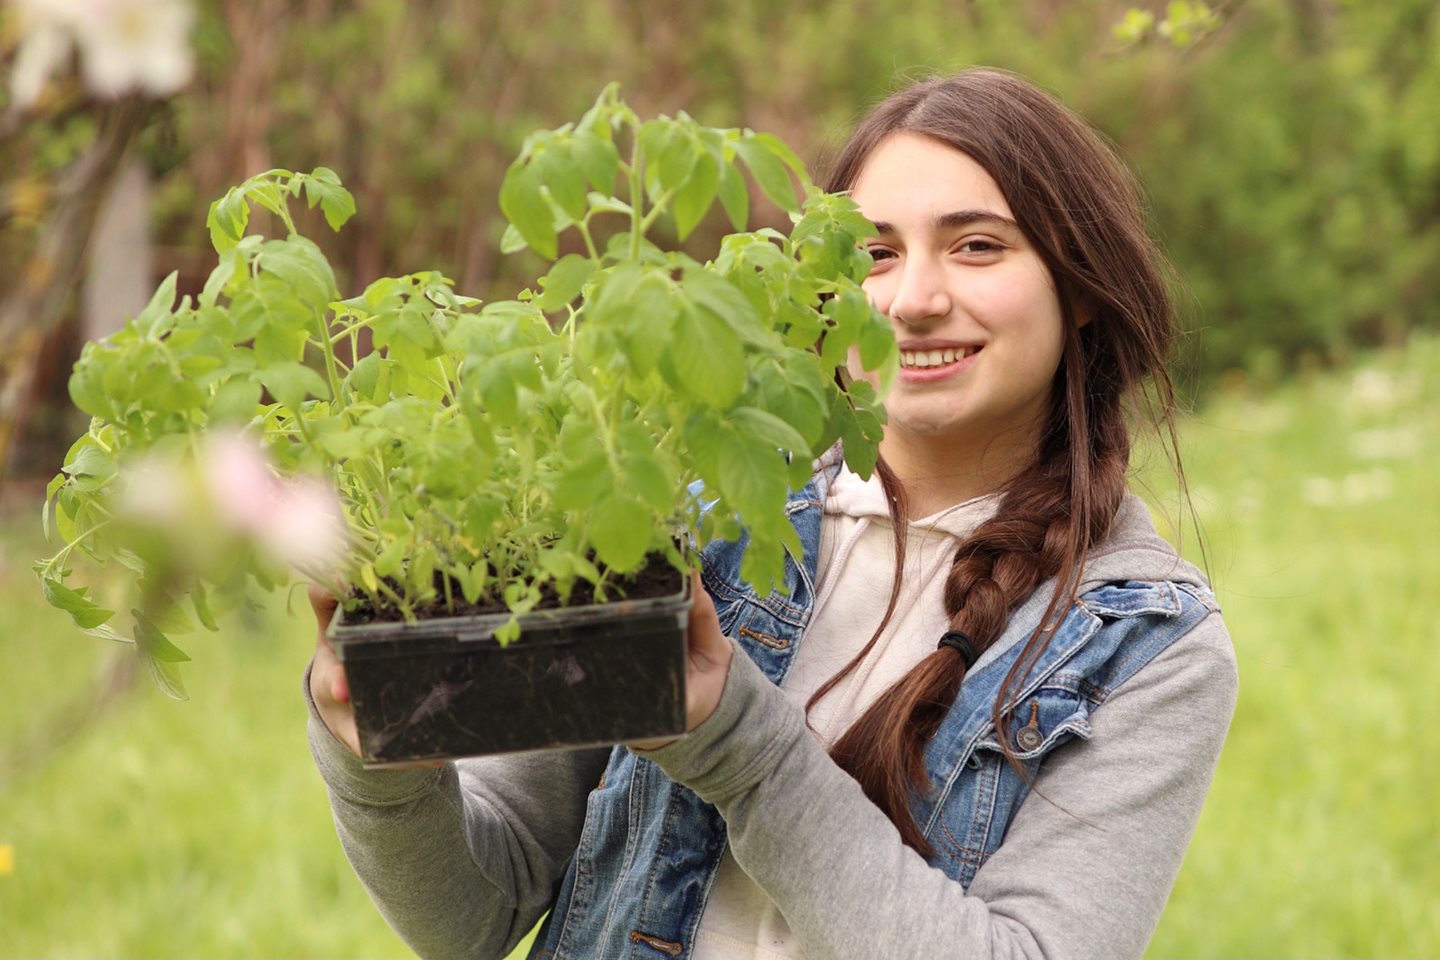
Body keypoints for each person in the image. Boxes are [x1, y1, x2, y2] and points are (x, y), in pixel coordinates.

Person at [306, 67, 1237, 960]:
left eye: (978, 245)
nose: (914, 300)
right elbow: (474, 914)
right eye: (874, 255)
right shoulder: (684, 524)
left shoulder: (1145, 642)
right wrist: (377, 760)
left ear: (1077, 285)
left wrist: (736, 744)